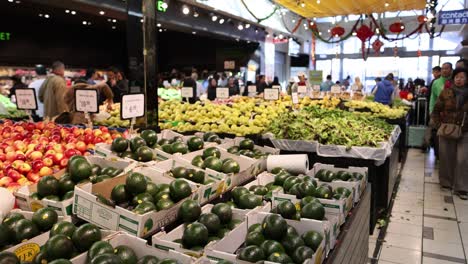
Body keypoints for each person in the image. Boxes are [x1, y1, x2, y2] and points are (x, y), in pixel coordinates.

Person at [431, 68, 468, 199]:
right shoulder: (446, 92)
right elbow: (436, 110)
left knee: (463, 159)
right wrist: (438, 124)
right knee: (446, 156)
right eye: (457, 77)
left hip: (465, 131)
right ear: (453, 79)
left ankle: (462, 187)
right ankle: (446, 182)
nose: (459, 79)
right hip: (447, 129)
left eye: (462, 77)